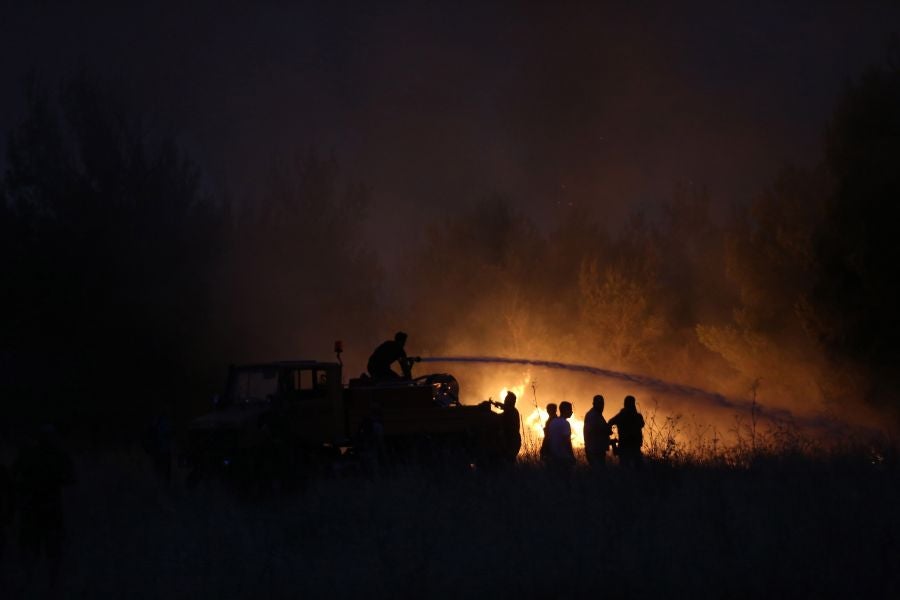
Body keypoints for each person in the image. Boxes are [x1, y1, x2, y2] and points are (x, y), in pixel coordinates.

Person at [13, 424, 75, 587]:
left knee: (35, 549)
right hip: (48, 509)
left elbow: (14, 476)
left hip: (34, 509)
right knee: (49, 550)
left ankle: (33, 582)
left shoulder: (29, 455)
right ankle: (48, 583)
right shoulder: (57, 456)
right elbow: (70, 479)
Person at [609, 395, 645, 468]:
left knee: (625, 468)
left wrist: (610, 433)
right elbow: (642, 424)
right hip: (633, 446)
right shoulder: (637, 416)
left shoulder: (621, 415)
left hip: (626, 446)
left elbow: (610, 422)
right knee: (637, 468)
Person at [545, 401, 576, 471]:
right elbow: (567, 441)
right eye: (570, 409)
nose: (571, 412)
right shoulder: (565, 423)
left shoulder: (553, 422)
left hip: (553, 456)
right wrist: (572, 456)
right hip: (563, 457)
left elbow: (548, 438)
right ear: (565, 410)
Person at [583, 395, 612, 467]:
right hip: (594, 450)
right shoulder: (593, 415)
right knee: (598, 470)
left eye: (602, 403)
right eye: (599, 403)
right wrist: (606, 430)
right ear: (594, 404)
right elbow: (593, 431)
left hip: (597, 449)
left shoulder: (597, 414)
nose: (601, 405)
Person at [494, 391, 521, 463]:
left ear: (511, 401)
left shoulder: (513, 411)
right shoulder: (508, 412)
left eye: (506, 399)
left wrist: (498, 404)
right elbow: (499, 416)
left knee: (508, 462)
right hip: (510, 441)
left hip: (512, 442)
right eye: (505, 399)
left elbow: (507, 409)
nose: (504, 400)